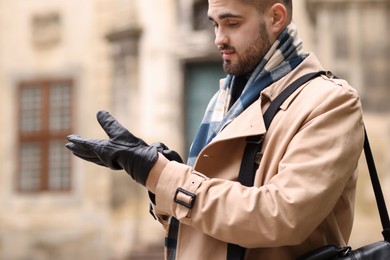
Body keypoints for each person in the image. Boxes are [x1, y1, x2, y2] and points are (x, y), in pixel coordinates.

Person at [66, 0, 365, 259]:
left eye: (232, 23)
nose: (219, 39)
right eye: (214, 25)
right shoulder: (224, 101)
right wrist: (161, 179)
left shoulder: (331, 102)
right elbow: (214, 222)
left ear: (276, 18)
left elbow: (279, 217)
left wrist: (162, 175)